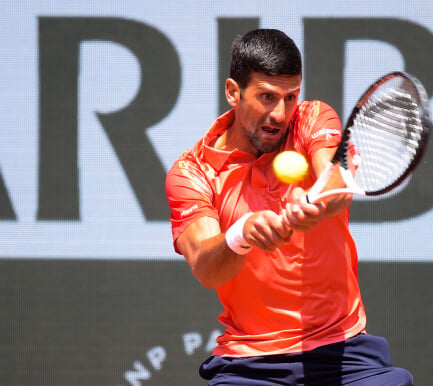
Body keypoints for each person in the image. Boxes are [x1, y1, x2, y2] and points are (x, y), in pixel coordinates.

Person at [166, 28, 413, 386]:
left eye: (290, 97)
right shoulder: (192, 173)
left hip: (342, 350)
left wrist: (317, 203)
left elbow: (337, 180)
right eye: (266, 97)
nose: (280, 113)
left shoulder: (312, 118)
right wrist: (241, 234)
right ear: (233, 92)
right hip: (251, 363)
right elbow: (207, 268)